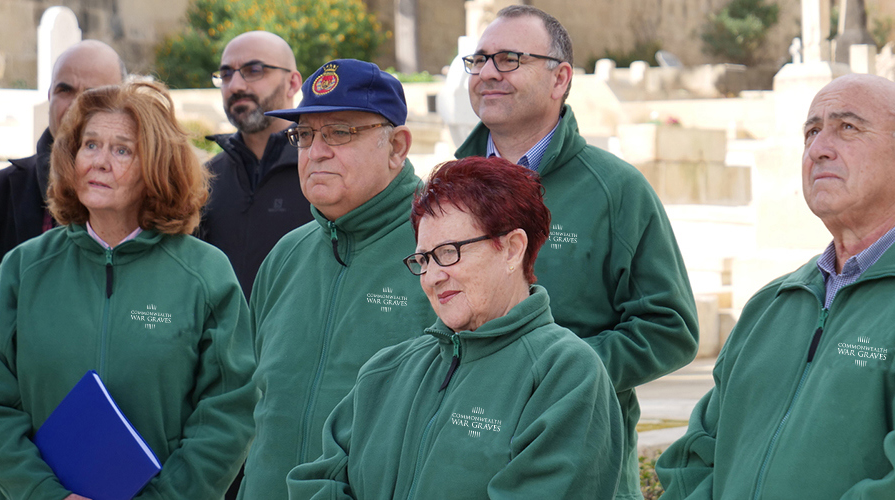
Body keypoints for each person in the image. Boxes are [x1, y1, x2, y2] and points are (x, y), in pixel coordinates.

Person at [656, 74, 895, 498]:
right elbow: (697, 459)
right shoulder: (772, 304)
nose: (818, 149)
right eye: (811, 132)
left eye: (847, 128)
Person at [454, 6, 698, 497]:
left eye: (508, 59)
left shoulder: (617, 189)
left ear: (560, 78)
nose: (487, 73)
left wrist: (558, 372)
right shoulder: (447, 190)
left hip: (577, 457)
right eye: (478, 60)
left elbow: (671, 328)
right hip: (457, 448)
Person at [286, 155, 624, 499]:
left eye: (449, 252)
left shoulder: (565, 373)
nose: (432, 276)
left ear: (511, 249)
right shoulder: (386, 371)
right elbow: (316, 481)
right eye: (424, 259)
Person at [0, 81, 256, 500]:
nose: (100, 162)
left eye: (122, 150)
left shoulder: (204, 273)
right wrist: (45, 493)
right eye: (90, 145)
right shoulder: (24, 269)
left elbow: (228, 411)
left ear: (156, 167)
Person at [238, 59, 437, 500]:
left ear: (397, 146)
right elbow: (254, 403)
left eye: (340, 133)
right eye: (305, 135)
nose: (316, 151)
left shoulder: (444, 253)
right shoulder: (287, 255)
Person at [0, 40, 125, 283]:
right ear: (50, 96)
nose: (76, 104)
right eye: (65, 90)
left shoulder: (149, 195)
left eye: (94, 94)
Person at [199, 31, 313, 298]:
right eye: (226, 74)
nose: (236, 85)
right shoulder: (203, 180)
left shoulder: (325, 171)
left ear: (293, 83)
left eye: (254, 70)